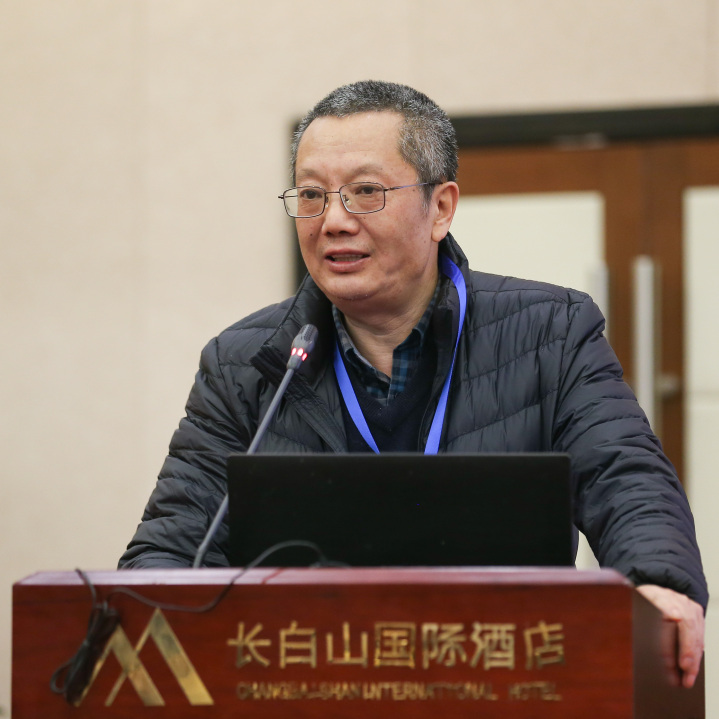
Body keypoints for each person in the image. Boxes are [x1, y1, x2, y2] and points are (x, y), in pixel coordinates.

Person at [119, 80, 707, 688]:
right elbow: (173, 545)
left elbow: (624, 474)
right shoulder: (246, 363)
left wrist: (658, 583)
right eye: (313, 195)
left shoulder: (549, 333)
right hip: (310, 684)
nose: (334, 221)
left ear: (441, 208)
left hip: (503, 680)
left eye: (366, 192)